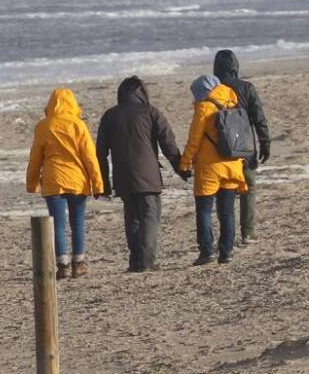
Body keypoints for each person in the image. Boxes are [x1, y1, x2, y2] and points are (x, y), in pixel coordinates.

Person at [95, 76, 187, 272]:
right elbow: (168, 144)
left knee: (132, 217)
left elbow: (100, 153)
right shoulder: (151, 112)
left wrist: (103, 183)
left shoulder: (110, 116)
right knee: (149, 217)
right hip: (148, 176)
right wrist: (181, 169)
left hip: (123, 176)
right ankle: (147, 261)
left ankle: (136, 261)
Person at [25, 88, 104, 280]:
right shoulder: (78, 125)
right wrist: (98, 184)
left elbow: (35, 157)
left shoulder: (43, 126)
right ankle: (78, 264)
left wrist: (32, 182)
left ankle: (62, 266)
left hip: (53, 181)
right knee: (77, 222)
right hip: (77, 180)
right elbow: (90, 157)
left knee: (57, 225)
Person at [178, 73, 247, 265]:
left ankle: (206, 251)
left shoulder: (204, 107)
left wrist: (184, 164)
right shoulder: (232, 101)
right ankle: (226, 252)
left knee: (204, 210)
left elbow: (194, 140)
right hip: (233, 162)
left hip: (209, 167)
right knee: (227, 211)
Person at [212, 50, 272, 245]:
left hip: (220, 148)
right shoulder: (247, 88)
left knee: (224, 192)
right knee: (249, 188)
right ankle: (248, 232)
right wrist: (265, 142)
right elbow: (258, 118)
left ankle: (227, 235)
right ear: (235, 67)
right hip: (245, 147)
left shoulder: (212, 90)